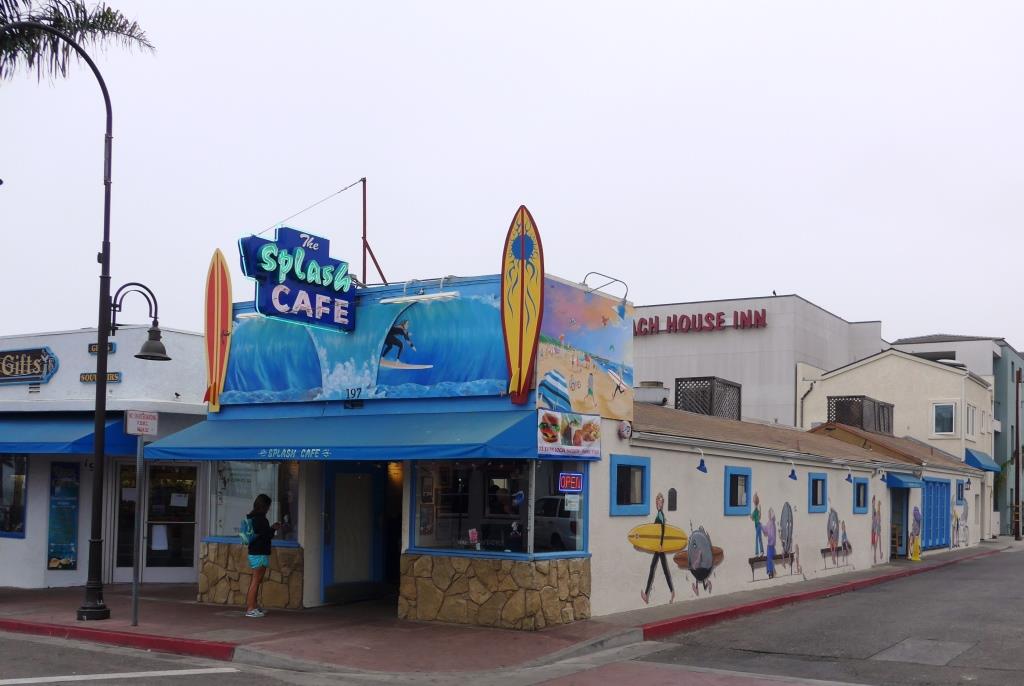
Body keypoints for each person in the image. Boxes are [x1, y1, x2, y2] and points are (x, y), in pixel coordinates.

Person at [245, 493, 280, 618]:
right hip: (260, 552)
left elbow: (259, 534)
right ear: (264, 506)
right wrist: (273, 528)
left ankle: (254, 606)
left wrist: (270, 529)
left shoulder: (251, 517)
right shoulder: (261, 519)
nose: (269, 509)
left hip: (253, 551)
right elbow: (266, 535)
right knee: (256, 580)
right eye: (268, 506)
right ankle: (250, 608)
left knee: (256, 580)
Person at [641, 492, 675, 604]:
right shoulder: (659, 514)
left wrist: (660, 544)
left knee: (654, 568)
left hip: (659, 546)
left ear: (662, 503)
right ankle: (671, 591)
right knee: (663, 569)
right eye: (657, 501)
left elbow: (662, 530)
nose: (658, 503)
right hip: (658, 546)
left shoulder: (660, 514)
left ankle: (647, 594)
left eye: (660, 501)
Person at [751, 492, 764, 557]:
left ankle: (758, 552)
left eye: (754, 500)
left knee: (758, 538)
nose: (753, 501)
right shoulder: (755, 508)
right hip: (756, 525)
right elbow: (752, 518)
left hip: (758, 524)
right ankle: (760, 552)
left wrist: (756, 510)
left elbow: (759, 516)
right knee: (759, 538)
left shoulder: (758, 507)